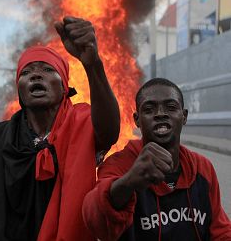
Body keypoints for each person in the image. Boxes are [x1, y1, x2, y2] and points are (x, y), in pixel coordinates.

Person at [0, 16, 120, 241]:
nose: (36, 75)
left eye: (47, 70)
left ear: (65, 87)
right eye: (26, 72)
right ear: (19, 90)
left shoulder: (83, 125)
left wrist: (92, 64)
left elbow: (110, 132)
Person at [82, 78, 231, 241]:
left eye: (171, 107)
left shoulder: (202, 167)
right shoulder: (119, 165)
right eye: (149, 109)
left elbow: (220, 230)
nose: (160, 114)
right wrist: (128, 181)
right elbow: (97, 222)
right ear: (137, 120)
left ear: (184, 116)